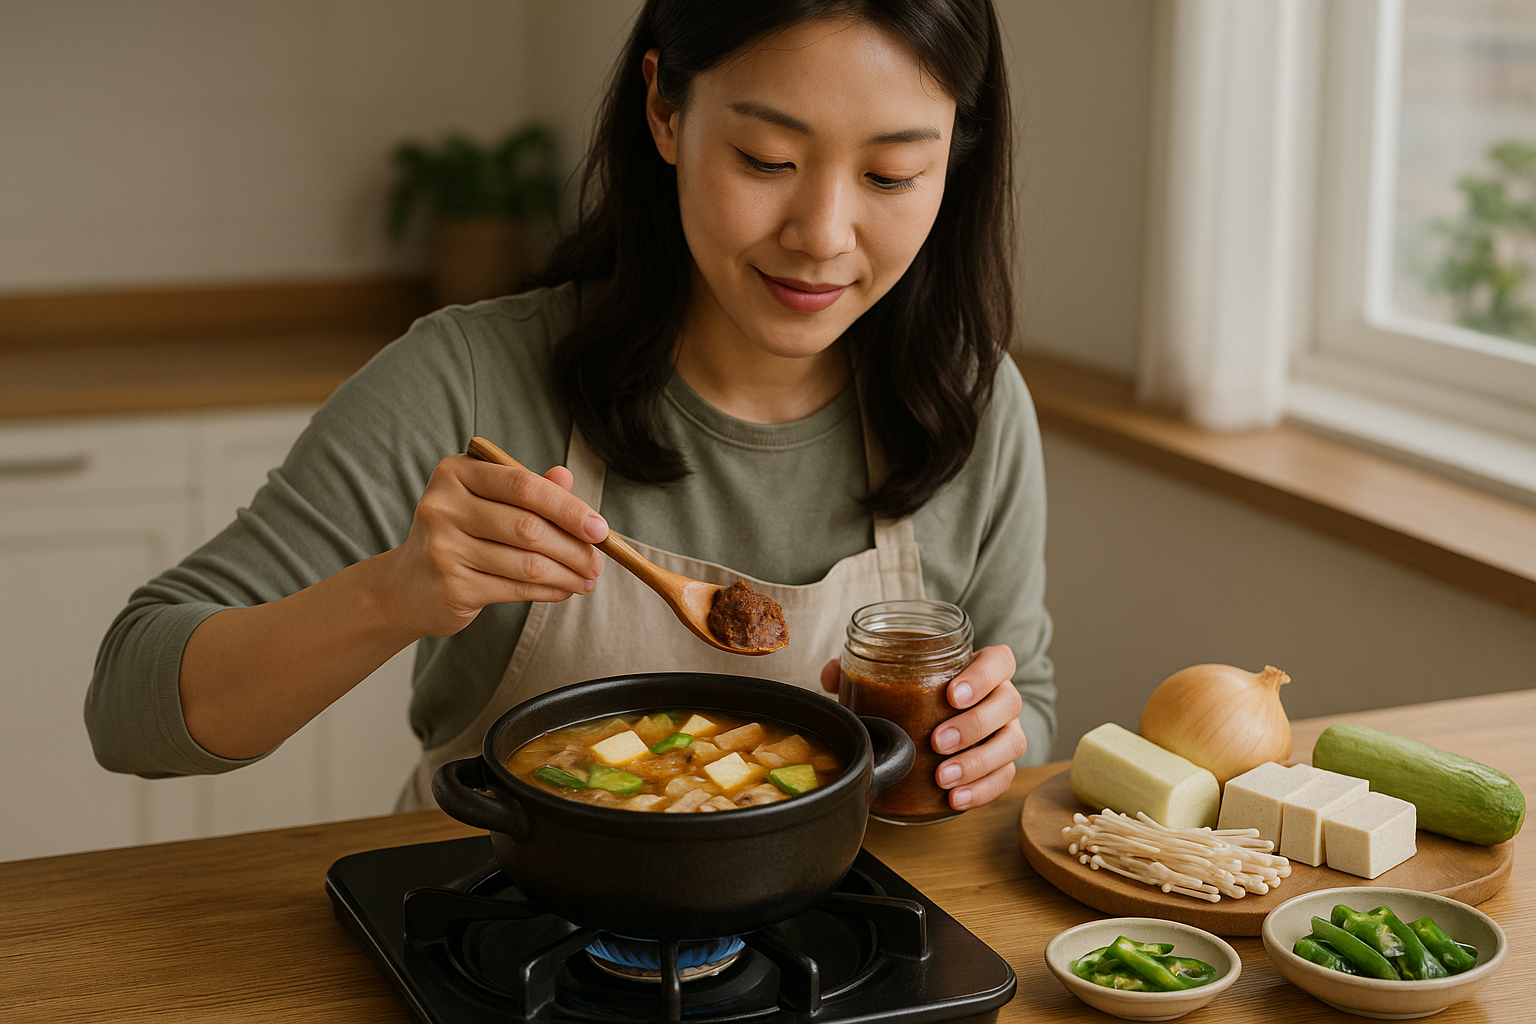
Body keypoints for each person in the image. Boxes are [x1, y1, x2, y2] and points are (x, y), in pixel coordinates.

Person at [85, 0, 1055, 815]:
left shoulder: (971, 402)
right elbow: (130, 710)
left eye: (891, 174)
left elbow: (1032, 708)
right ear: (665, 111)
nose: (822, 235)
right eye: (766, 158)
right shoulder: (468, 379)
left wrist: (984, 735)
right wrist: (391, 594)